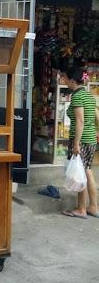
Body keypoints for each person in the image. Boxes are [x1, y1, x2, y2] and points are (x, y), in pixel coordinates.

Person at [60, 65, 99, 219]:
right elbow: (97, 116)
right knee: (88, 172)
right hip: (90, 140)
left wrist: (76, 143)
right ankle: (94, 207)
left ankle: (81, 209)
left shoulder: (77, 96)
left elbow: (80, 121)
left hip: (81, 140)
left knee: (80, 173)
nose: (64, 80)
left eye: (65, 78)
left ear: (71, 80)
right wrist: (96, 131)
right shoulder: (88, 95)